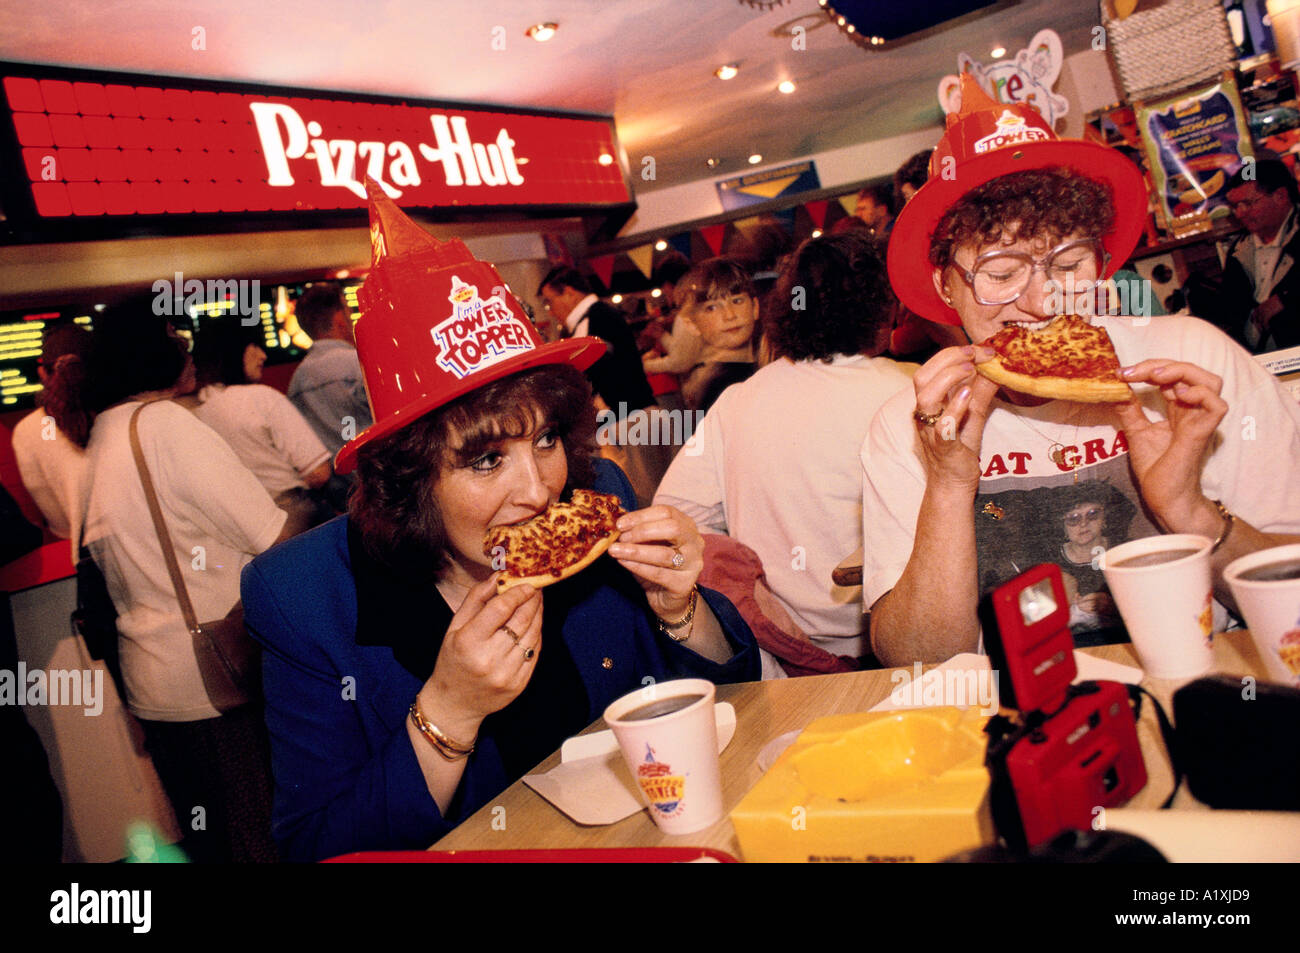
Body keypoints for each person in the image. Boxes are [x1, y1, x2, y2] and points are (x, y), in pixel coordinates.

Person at [241, 186, 759, 862]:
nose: (539, 489)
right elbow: (317, 848)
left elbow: (730, 707)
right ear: (409, 480)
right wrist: (449, 712)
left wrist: (681, 611)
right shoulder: (306, 597)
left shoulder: (597, 493)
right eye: (486, 459)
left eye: (545, 439)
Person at [861, 75, 1300, 667]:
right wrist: (948, 484)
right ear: (945, 284)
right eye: (1000, 274)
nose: (1046, 302)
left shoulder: (1196, 363)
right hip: (1020, 721)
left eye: (1069, 263)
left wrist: (1188, 510)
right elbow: (919, 662)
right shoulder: (909, 425)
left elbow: (1292, 610)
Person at [45, 294, 291, 862]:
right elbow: (270, 536)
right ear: (152, 353)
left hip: (153, 687)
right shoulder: (165, 427)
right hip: (217, 680)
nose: (186, 347)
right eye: (173, 335)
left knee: (211, 842)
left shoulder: (99, 438)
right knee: (259, 837)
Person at [656, 232, 915, 661]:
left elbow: (675, 519)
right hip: (896, 645)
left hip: (788, 651)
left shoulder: (739, 399)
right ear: (882, 307)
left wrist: (757, 595)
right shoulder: (907, 388)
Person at [193, 318, 333, 536]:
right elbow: (319, 472)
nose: (263, 356)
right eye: (255, 346)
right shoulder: (261, 398)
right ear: (235, 349)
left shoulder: (196, 412)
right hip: (299, 520)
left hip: (244, 530)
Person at [1191, 158, 1300, 353]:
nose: (1240, 214)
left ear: (1281, 196)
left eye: (1247, 204)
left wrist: (1285, 300)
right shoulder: (1240, 249)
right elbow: (1231, 310)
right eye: (1235, 207)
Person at [10, 323, 92, 543]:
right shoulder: (123, 413)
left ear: (41, 372)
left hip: (85, 555)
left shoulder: (28, 431)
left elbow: (56, 520)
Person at [288, 283, 374, 458]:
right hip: (381, 475)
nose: (352, 317)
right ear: (339, 319)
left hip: (337, 482)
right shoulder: (359, 364)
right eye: (348, 310)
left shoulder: (295, 383)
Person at [671, 258, 760, 413]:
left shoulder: (761, 364)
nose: (730, 315)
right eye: (711, 308)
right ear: (692, 325)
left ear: (755, 308)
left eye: (737, 300)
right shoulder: (718, 388)